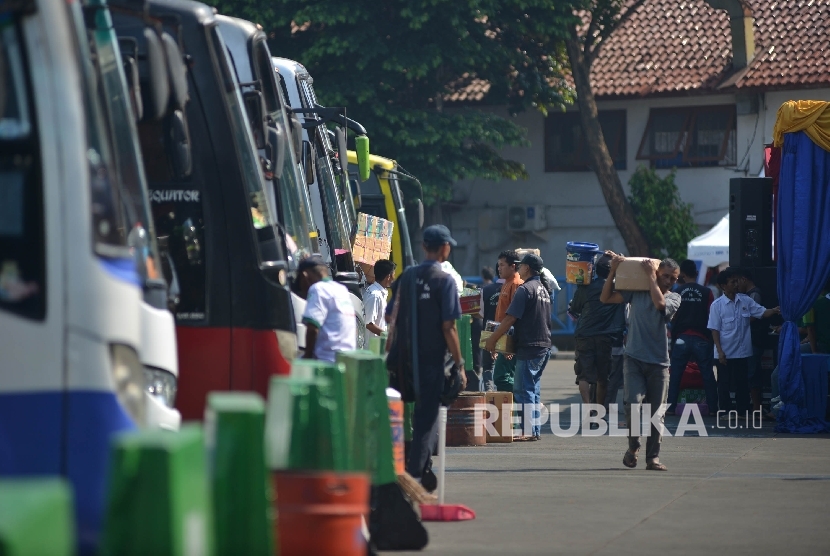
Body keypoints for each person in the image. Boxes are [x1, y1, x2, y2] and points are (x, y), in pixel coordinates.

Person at [386, 225, 464, 487]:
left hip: (402, 361)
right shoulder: (445, 281)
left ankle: (415, 467)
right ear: (444, 248)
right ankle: (415, 476)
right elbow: (449, 327)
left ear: (423, 247)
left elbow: (389, 316)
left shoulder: (406, 277)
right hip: (431, 362)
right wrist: (460, 364)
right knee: (427, 419)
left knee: (402, 415)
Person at [601, 253, 681, 471]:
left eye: (673, 279)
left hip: (659, 363)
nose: (669, 281)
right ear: (657, 273)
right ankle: (633, 446)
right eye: (665, 276)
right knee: (632, 405)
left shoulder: (674, 297)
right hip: (634, 358)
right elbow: (606, 298)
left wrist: (651, 279)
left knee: (657, 414)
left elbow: (660, 305)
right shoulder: (637, 292)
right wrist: (613, 271)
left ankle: (652, 458)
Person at [484, 253, 552, 439]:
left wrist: (493, 339)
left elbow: (510, 318)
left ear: (527, 268)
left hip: (530, 346)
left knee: (523, 389)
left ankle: (528, 431)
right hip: (543, 345)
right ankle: (533, 431)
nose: (519, 269)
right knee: (533, 389)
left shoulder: (525, 289)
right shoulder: (543, 289)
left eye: (521, 266)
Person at [708, 268, 780, 417]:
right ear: (723, 285)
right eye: (732, 282)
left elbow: (761, 312)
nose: (736, 284)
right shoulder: (717, 305)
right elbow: (714, 330)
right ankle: (725, 411)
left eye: (737, 281)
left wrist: (774, 310)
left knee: (742, 382)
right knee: (724, 383)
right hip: (725, 351)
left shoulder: (745, 300)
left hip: (742, 351)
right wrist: (719, 351)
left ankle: (742, 411)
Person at [569, 254, 626, 413]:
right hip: (606, 337)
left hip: (584, 335)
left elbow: (574, 309)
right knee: (603, 378)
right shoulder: (619, 288)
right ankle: (598, 412)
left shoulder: (585, 287)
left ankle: (588, 408)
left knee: (583, 376)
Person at [667, 260, 718, 416]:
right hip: (701, 338)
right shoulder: (707, 292)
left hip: (681, 338)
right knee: (707, 374)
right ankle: (713, 408)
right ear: (696, 273)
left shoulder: (677, 291)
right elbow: (712, 316)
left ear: (682, 274)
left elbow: (672, 316)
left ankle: (670, 407)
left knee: (675, 374)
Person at [298, 255, 357, 362]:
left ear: (304, 276)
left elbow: (312, 329)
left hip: (327, 361)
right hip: (348, 360)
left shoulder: (318, 289)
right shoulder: (341, 289)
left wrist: (307, 357)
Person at [734, 268, 766, 411]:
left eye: (737, 281)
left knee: (752, 373)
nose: (736, 285)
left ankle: (756, 406)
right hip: (749, 340)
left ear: (744, 279)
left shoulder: (754, 294)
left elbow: (753, 315)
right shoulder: (747, 294)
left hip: (753, 340)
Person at [492, 250, 523, 392]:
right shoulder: (506, 283)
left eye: (502, 265)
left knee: (501, 377)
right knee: (508, 377)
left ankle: (527, 400)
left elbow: (513, 318)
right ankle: (519, 409)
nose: (499, 268)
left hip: (509, 339)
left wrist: (508, 345)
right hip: (502, 337)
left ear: (513, 266)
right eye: (498, 265)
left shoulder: (516, 284)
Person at [478, 262, 503, 392]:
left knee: (487, 367)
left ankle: (490, 396)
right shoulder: (516, 288)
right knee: (507, 368)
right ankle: (507, 399)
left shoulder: (486, 290)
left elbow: (480, 314)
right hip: (508, 333)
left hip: (488, 332)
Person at [365, 259, 396, 339]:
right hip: (372, 347)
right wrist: (387, 336)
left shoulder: (379, 293)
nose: (394, 278)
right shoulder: (375, 295)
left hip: (377, 345)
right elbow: (368, 324)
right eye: (393, 275)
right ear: (388, 276)